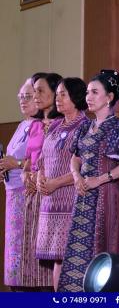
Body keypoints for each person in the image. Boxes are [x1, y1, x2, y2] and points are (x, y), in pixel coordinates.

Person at [58, 70, 119, 292]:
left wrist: (99, 180)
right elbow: (75, 158)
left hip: (108, 194)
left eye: (94, 92)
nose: (88, 97)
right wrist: (77, 177)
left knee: (105, 244)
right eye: (88, 93)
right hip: (83, 194)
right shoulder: (85, 126)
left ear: (109, 97)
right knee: (79, 248)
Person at [36, 77, 89, 290]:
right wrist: (40, 178)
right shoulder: (55, 125)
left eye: (63, 94)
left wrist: (56, 183)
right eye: (57, 94)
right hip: (50, 202)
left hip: (71, 200)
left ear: (76, 97)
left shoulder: (85, 126)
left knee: (71, 257)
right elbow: (42, 159)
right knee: (57, 258)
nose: (58, 98)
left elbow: (85, 166)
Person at [20, 72, 63, 290]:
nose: (35, 96)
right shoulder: (36, 125)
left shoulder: (62, 123)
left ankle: (50, 291)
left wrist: (40, 176)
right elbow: (29, 158)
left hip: (51, 190)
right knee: (30, 244)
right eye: (34, 91)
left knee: (49, 249)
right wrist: (25, 174)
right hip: (32, 191)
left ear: (54, 93)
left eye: (40, 91)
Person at [0, 78, 38, 290]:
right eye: (21, 96)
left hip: (27, 193)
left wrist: (15, 163)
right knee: (12, 249)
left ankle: (26, 290)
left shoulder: (39, 126)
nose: (23, 100)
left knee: (24, 249)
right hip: (12, 194)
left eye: (28, 96)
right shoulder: (22, 125)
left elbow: (38, 162)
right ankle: (15, 289)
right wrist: (5, 168)